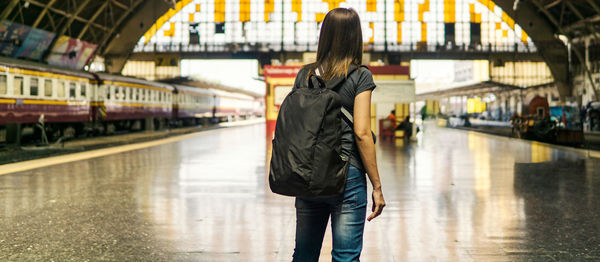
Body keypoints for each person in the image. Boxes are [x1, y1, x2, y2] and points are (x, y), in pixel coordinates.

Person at [291, 8, 385, 262]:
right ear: (355, 37)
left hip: (309, 174)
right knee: (345, 257)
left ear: (325, 36)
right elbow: (362, 132)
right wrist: (377, 186)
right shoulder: (360, 75)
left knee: (304, 255)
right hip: (348, 175)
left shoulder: (305, 74)